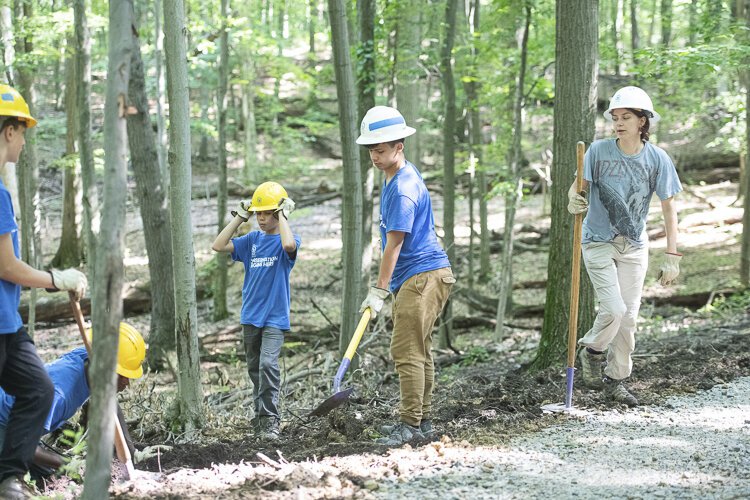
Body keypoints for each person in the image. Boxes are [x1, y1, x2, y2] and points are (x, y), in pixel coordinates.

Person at [567, 86, 682, 407]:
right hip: (597, 241)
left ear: (643, 121)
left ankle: (616, 380)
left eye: (626, 117)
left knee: (629, 318)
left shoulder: (657, 158)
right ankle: (592, 350)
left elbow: (669, 206)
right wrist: (572, 200)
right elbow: (577, 188)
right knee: (614, 309)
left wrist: (672, 256)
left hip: (634, 245)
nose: (618, 123)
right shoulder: (598, 151)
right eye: (615, 117)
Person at [0, 84, 88, 498]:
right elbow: (7, 266)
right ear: (7, 131)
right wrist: (58, 279)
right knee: (38, 390)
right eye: (22, 130)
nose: (23, 140)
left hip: (8, 324)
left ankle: (9, 477)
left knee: (38, 389)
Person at [356, 106, 455, 446]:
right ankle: (422, 420)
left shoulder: (401, 189)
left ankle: (410, 425)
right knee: (419, 350)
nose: (375, 155)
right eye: (371, 149)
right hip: (424, 275)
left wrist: (379, 290)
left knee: (406, 351)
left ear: (399, 146)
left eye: (381, 149)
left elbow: (393, 246)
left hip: (421, 277)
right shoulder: (398, 176)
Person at [0, 323, 147, 480]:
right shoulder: (59, 396)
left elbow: (109, 401)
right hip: (6, 428)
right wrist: (71, 463)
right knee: (34, 477)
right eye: (122, 375)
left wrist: (129, 453)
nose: (127, 383)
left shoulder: (89, 359)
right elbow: (24, 445)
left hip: (22, 424)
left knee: (53, 474)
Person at [211, 181, 299, 441]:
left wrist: (282, 216)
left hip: (275, 318)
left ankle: (271, 420)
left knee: (268, 364)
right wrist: (241, 217)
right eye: (258, 213)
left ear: (278, 213)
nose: (261, 218)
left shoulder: (287, 240)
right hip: (250, 316)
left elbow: (288, 247)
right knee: (254, 370)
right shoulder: (251, 240)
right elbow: (218, 245)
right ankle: (260, 418)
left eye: (267, 213)